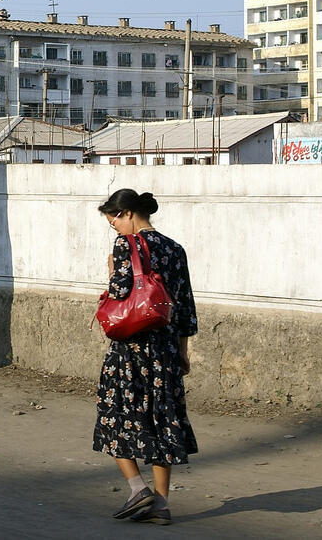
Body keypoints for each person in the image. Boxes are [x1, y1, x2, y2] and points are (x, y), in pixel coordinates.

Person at [94, 188, 198, 525]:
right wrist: (182, 351)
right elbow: (184, 305)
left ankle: (138, 488)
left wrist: (112, 270)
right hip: (165, 349)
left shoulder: (127, 245)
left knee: (114, 414)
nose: (116, 229)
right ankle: (162, 504)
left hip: (132, 347)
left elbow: (121, 292)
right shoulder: (175, 248)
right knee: (162, 420)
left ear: (127, 213)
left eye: (115, 222)